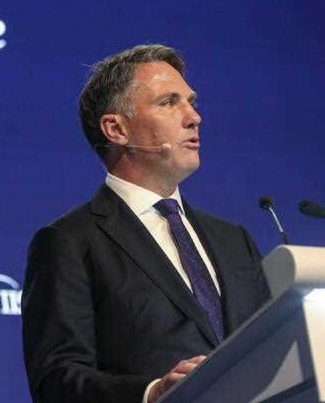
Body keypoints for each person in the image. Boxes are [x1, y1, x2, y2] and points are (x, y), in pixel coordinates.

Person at [22, 44, 270, 403]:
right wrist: (152, 393)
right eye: (169, 103)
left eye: (191, 102)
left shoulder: (235, 240)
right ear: (116, 129)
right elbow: (56, 379)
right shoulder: (69, 241)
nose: (194, 117)